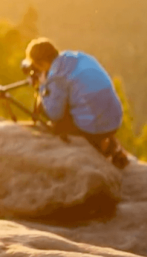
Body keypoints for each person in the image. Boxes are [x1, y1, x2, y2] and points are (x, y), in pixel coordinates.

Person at [25, 38, 129, 169]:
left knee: (46, 109)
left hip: (95, 128)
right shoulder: (77, 56)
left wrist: (42, 86)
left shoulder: (57, 76)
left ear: (42, 63)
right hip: (115, 119)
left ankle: (99, 146)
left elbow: (54, 114)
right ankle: (111, 144)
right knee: (77, 99)